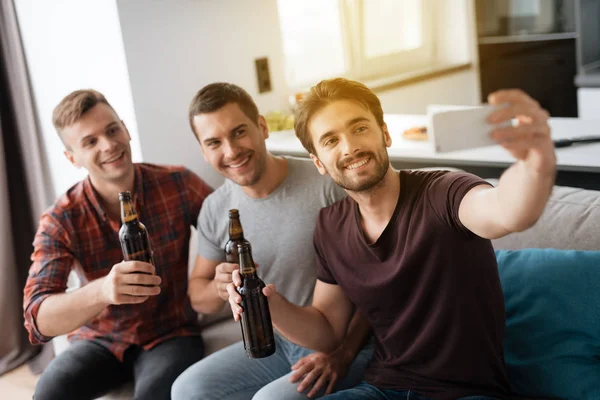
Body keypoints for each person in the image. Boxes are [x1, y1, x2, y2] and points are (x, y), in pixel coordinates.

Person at [227, 78, 557, 400]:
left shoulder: (443, 193)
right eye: (330, 140)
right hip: (382, 387)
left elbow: (508, 211)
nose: (350, 146)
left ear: (384, 134)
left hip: (466, 392)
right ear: (319, 163)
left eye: (359, 128)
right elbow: (327, 331)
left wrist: (535, 163)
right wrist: (264, 302)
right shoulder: (330, 227)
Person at [171, 82, 374, 400]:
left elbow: (380, 280)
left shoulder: (326, 185)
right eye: (214, 142)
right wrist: (217, 287)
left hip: (350, 342)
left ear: (262, 127)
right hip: (278, 339)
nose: (231, 151)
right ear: (204, 151)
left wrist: (344, 354)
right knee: (187, 389)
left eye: (239, 132)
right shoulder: (215, 207)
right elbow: (198, 295)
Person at [23, 89, 212, 400]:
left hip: (171, 334)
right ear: (72, 158)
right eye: (90, 141)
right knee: (49, 391)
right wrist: (103, 290)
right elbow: (37, 318)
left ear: (125, 130)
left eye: (112, 130)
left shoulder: (179, 184)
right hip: (98, 340)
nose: (109, 145)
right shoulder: (61, 218)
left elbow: (231, 235)